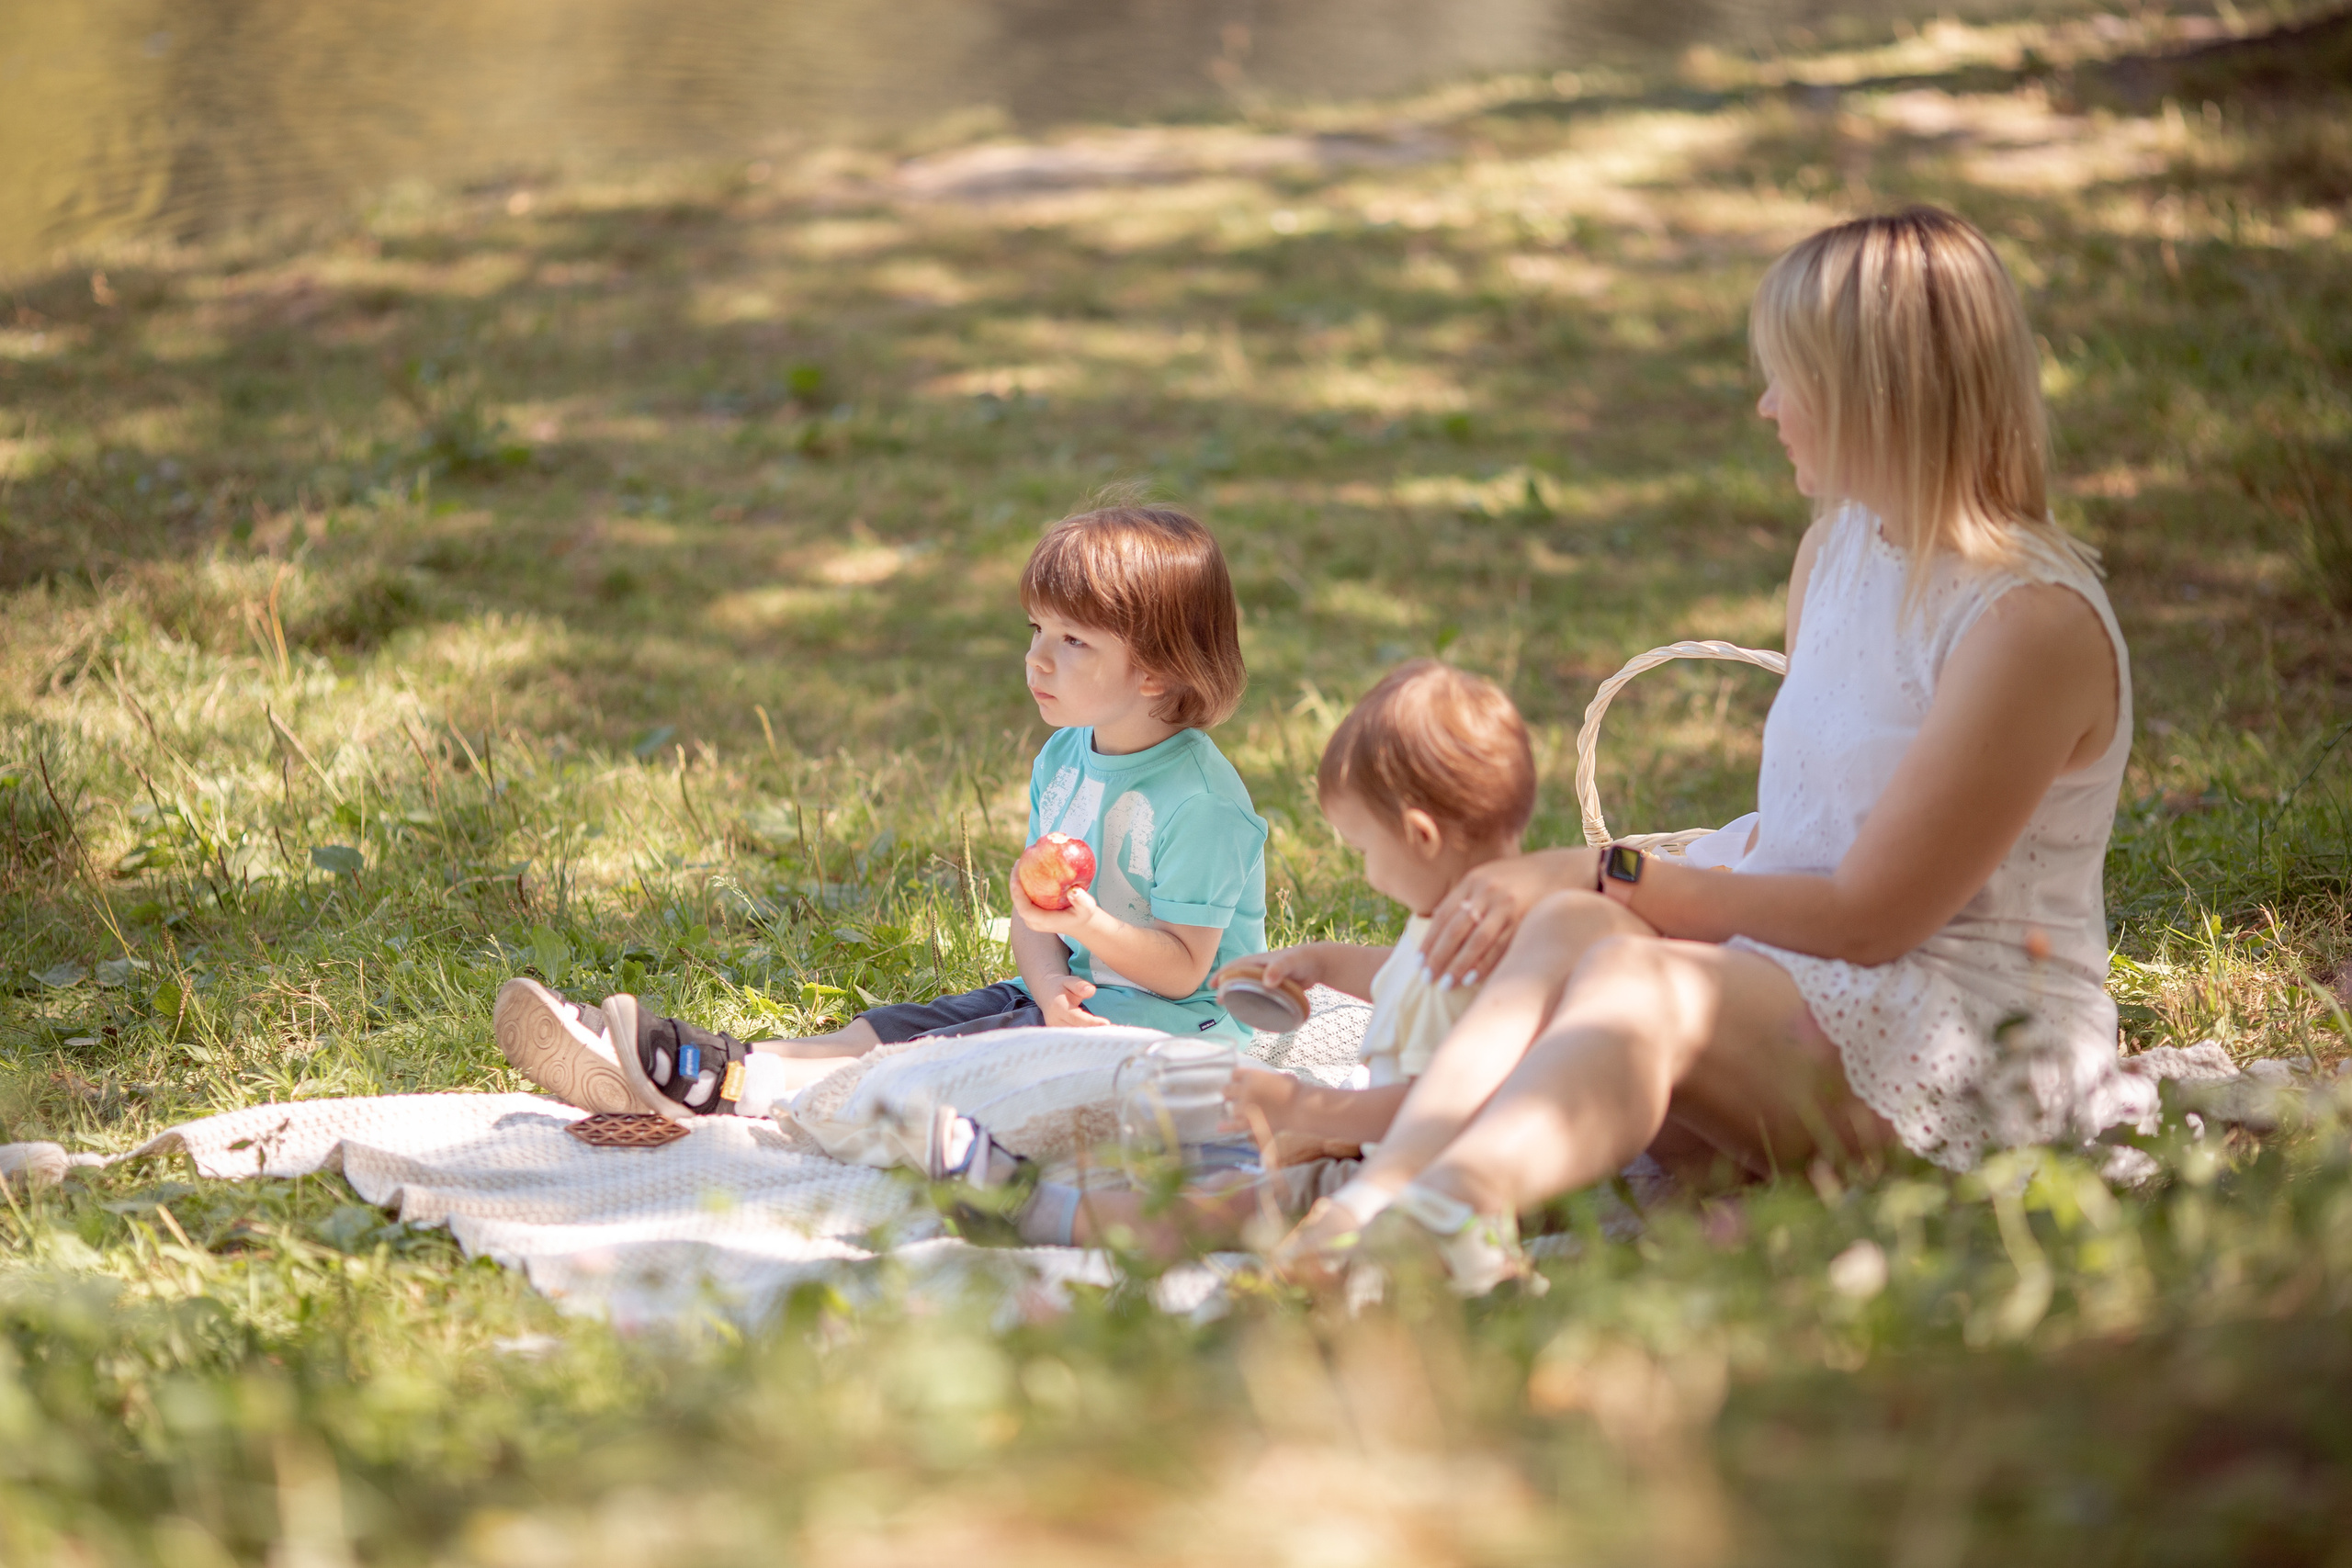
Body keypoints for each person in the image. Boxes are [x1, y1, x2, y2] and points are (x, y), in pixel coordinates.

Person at [1276, 206, 2146, 1293]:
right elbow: (1805, 844)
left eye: (1790, 377)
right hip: (1814, 991)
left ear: (1878, 393)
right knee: (1576, 931)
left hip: (1971, 1039)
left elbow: (1872, 920)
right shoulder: (1837, 547)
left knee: (1632, 976)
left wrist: (1611, 870)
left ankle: (1448, 1212)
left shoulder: (2028, 625)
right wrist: (1597, 896)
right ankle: (1383, 1192)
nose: (1765, 406)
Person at [492, 502, 1268, 1131]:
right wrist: (1050, 982)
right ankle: (714, 1062)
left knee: (941, 1060)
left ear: (1158, 673)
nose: (1036, 659)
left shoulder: (1200, 802)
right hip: (1075, 1007)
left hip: (1170, 1049)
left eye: (1073, 641)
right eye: (1035, 630)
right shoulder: (1065, 757)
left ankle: (709, 1079)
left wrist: (1086, 936)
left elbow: (1183, 968)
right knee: (903, 1025)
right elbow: (1033, 914)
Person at [1012, 660, 1537, 1252]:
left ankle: (1064, 1219)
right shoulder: (1460, 920)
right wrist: (1325, 963)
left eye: (1364, 847)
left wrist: (1301, 1104)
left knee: (1238, 1202)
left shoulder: (1490, 957)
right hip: (1393, 1152)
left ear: (1420, 837)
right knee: (1263, 1164)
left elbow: (1425, 1110)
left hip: (1433, 1181)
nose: (1365, 869)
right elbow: (1410, 977)